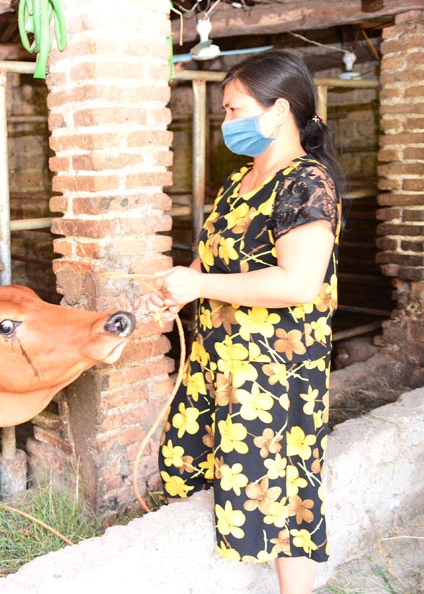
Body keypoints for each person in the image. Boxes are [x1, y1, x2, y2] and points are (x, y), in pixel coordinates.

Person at [147, 50, 344, 594]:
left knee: (284, 488)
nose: (226, 123)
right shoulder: (239, 180)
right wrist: (181, 286)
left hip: (275, 375)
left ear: (278, 111)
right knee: (215, 470)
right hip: (221, 359)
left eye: (234, 111)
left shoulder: (306, 183)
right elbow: (214, 255)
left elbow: (297, 284)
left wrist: (201, 287)